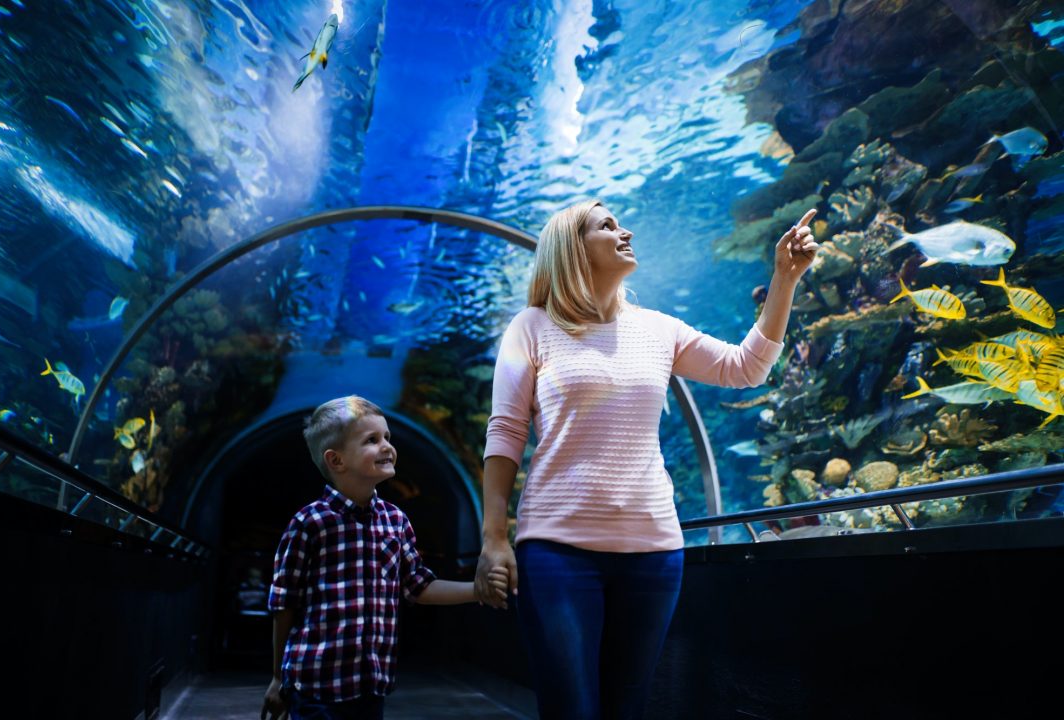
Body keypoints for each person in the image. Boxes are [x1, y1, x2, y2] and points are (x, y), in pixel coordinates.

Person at [475, 200, 818, 718]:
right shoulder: (532, 326)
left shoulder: (659, 329)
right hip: (557, 551)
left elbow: (746, 368)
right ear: (572, 249)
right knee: (571, 709)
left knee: (628, 708)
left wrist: (784, 279)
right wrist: (494, 538)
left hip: (654, 552)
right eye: (607, 226)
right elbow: (506, 430)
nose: (625, 230)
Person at [261, 396, 509, 720]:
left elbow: (418, 586)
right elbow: (284, 603)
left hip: (371, 685)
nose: (387, 446)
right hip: (316, 685)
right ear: (336, 461)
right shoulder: (310, 523)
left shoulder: (395, 521)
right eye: (371, 440)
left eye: (387, 437)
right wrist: (279, 677)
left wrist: (477, 591)